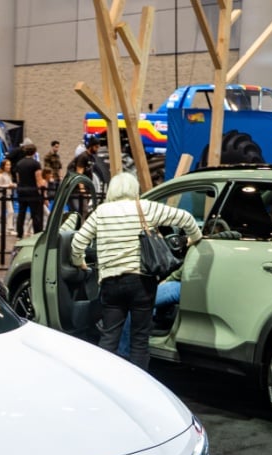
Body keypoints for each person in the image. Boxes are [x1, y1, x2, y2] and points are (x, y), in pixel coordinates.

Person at [71, 172, 203, 369]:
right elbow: (186, 218)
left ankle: (104, 384)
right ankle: (138, 389)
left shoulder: (101, 212)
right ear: (135, 189)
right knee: (140, 341)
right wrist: (195, 238)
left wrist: (80, 262)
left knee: (109, 338)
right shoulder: (145, 207)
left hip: (111, 283)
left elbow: (78, 242)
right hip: (142, 283)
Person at [14, 143, 43, 238]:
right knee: (35, 214)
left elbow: (18, 178)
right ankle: (37, 234)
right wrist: (41, 190)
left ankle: (19, 234)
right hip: (33, 191)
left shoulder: (19, 163)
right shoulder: (36, 164)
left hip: (22, 190)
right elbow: (38, 179)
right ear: (34, 152)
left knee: (21, 213)